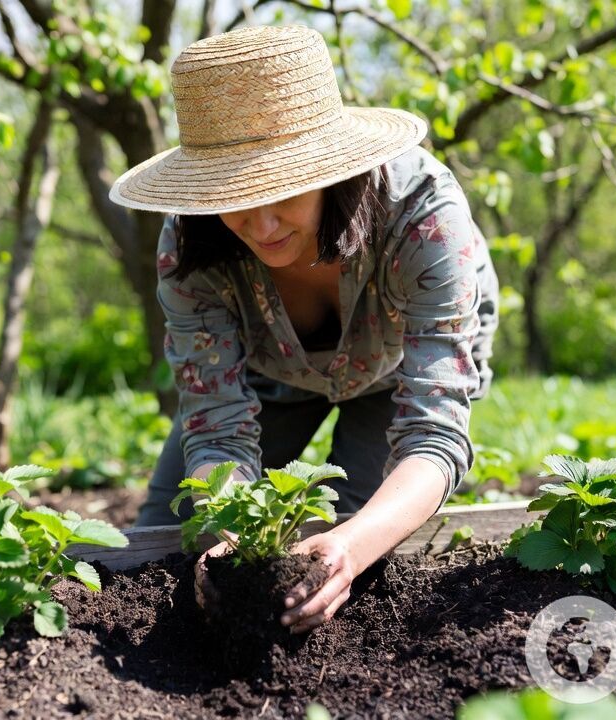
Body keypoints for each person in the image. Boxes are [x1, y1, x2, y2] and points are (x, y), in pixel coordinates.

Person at [107, 25, 499, 633]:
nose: (261, 225)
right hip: (268, 372)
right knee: (163, 544)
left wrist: (348, 548)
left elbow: (433, 436)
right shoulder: (192, 250)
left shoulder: (424, 219)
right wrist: (228, 535)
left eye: (282, 189)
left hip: (395, 374)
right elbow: (217, 431)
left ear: (328, 166)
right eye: (233, 195)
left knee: (354, 545)